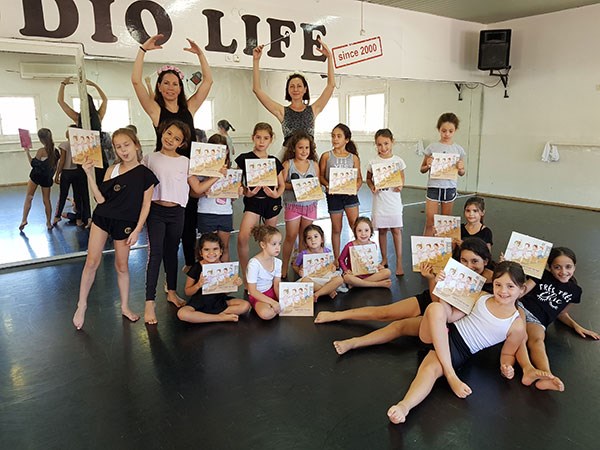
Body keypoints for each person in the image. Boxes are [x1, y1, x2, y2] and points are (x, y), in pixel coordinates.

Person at [387, 261, 529, 424]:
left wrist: (507, 367)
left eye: (510, 286)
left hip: (459, 350)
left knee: (429, 370)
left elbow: (508, 353)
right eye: (498, 285)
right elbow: (450, 317)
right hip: (441, 332)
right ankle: (451, 375)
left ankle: (403, 406)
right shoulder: (481, 296)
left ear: (522, 289)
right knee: (435, 308)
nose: (503, 291)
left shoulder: (516, 325)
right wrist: (442, 289)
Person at [315, 238, 494, 355]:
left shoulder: (494, 283)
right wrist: (431, 278)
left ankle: (354, 343)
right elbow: (434, 300)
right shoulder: (455, 270)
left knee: (398, 326)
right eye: (464, 260)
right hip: (434, 299)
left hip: (446, 316)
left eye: (475, 261)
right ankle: (337, 315)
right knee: (384, 312)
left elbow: (441, 310)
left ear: (485, 261)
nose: (468, 266)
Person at [132, 33, 214, 272]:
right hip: (166, 172)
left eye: (175, 83)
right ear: (159, 86)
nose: (170, 87)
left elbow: (208, 82)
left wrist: (200, 55)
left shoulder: (189, 108)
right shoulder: (156, 111)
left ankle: (189, 264)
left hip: (187, 170)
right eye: (166, 83)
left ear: (180, 88)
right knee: (167, 226)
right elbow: (136, 82)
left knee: (189, 220)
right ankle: (167, 270)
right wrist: (142, 50)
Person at [72, 128, 158, 330]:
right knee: (91, 261)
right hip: (103, 217)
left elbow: (146, 205)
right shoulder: (112, 169)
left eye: (126, 145)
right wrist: (89, 174)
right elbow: (100, 199)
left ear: (136, 145)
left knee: (122, 266)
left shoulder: (146, 175)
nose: (123, 150)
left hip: (126, 223)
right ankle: (81, 304)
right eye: (118, 147)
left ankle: (125, 307)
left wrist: (137, 229)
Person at [142, 120, 206, 325]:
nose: (171, 139)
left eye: (177, 138)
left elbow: (197, 189)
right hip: (155, 212)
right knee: (156, 254)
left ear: (182, 143)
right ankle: (149, 303)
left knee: (172, 253)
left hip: (178, 212)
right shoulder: (150, 158)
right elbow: (138, 184)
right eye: (169, 133)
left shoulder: (185, 162)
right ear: (162, 132)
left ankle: (171, 292)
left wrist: (217, 176)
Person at [510, 247, 599, 391]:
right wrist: (509, 270)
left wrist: (576, 326)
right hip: (521, 308)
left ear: (574, 267)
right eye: (557, 267)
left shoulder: (575, 291)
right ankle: (528, 369)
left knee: (538, 341)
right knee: (522, 335)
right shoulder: (542, 275)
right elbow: (520, 293)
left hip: (538, 320)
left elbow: (561, 313)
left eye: (568, 267)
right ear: (550, 267)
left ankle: (547, 376)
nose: (563, 272)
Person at [252, 36, 334, 149]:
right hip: (288, 155)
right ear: (288, 90)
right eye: (292, 86)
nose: (295, 89)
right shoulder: (282, 111)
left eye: (299, 86)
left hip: (308, 156)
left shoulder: (313, 110)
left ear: (305, 89)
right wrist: (256, 60)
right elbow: (257, 90)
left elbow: (331, 86)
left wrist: (329, 57)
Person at [234, 123, 285, 284]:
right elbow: (237, 182)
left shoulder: (274, 161)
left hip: (271, 202)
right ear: (253, 138)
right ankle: (247, 276)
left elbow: (282, 185)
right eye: (258, 137)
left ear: (271, 139)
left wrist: (275, 194)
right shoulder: (244, 158)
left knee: (270, 241)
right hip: (253, 202)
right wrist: (246, 191)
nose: (261, 141)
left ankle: (268, 274)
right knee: (242, 238)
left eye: (265, 138)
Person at [178, 233, 251, 324]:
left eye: (215, 249)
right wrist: (198, 285)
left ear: (221, 251)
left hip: (219, 300)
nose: (211, 253)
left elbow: (225, 292)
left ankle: (205, 317)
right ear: (201, 252)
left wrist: (234, 284)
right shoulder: (196, 267)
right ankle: (220, 317)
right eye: (206, 250)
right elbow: (187, 292)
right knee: (182, 313)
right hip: (200, 301)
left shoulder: (225, 268)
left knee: (245, 305)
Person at [319, 124, 363, 262]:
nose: (335, 139)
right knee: (336, 228)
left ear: (347, 139)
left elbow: (359, 178)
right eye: (333, 136)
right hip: (334, 197)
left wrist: (355, 187)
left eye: (339, 136)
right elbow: (320, 176)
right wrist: (328, 185)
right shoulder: (326, 156)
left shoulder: (353, 158)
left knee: (355, 226)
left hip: (350, 196)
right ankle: (337, 259)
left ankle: (358, 258)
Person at [366, 128, 406, 276]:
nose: (383, 148)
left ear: (392, 142)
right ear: (376, 145)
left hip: (393, 201)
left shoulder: (398, 161)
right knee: (382, 231)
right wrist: (372, 187)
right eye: (379, 144)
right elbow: (368, 178)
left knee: (396, 231)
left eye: (386, 143)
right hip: (380, 201)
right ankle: (384, 259)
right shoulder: (373, 162)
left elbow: (402, 177)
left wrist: (401, 185)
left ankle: (399, 262)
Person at [281, 131, 321, 279]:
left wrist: (312, 189)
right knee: (291, 236)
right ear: (294, 148)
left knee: (305, 238)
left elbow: (316, 184)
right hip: (293, 205)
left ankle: (301, 265)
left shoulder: (314, 165)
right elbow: (281, 185)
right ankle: (284, 266)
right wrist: (297, 186)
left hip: (310, 206)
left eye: (307, 148)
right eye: (300, 147)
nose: (304, 151)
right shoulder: (288, 164)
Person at [195, 134, 240, 262]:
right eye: (215, 149)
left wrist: (236, 193)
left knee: (223, 248)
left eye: (222, 150)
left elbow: (232, 198)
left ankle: (225, 275)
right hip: (206, 212)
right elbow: (194, 193)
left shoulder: (230, 172)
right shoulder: (202, 170)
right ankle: (205, 274)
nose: (219, 153)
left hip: (225, 213)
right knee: (207, 249)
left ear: (227, 151)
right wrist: (204, 192)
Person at [420, 113, 465, 236]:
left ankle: (443, 247)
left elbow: (462, 172)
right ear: (439, 129)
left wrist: (461, 168)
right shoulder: (432, 148)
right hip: (434, 187)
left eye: (450, 131)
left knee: (445, 222)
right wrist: (428, 165)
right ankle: (426, 246)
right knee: (430, 221)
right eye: (444, 131)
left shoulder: (458, 150)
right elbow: (422, 169)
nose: (447, 134)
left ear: (455, 130)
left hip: (449, 188)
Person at [57, 77, 109, 182]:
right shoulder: (97, 116)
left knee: (88, 182)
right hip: (95, 153)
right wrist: (95, 85)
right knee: (98, 182)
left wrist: (63, 84)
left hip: (85, 154)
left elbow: (60, 101)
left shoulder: (79, 118)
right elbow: (105, 99)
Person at [19, 128, 60, 231]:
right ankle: (48, 223)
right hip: (46, 179)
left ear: (41, 139)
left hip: (36, 177)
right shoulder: (56, 152)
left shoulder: (41, 151)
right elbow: (55, 167)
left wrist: (27, 152)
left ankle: (24, 220)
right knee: (47, 200)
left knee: (29, 197)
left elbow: (33, 164)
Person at [292, 224, 344, 300]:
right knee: (304, 281)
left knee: (340, 279)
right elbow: (295, 265)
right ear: (305, 242)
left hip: (326, 277)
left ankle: (318, 293)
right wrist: (299, 271)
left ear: (322, 239)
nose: (313, 240)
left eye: (316, 236)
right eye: (309, 238)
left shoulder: (327, 251)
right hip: (312, 279)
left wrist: (333, 267)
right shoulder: (303, 254)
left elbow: (332, 264)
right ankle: (328, 291)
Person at [338, 217, 391, 289]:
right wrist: (346, 270)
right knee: (347, 277)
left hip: (369, 274)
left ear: (371, 231)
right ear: (355, 232)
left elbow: (372, 261)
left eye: (366, 230)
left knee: (387, 272)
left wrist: (378, 266)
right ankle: (377, 284)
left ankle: (357, 284)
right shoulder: (350, 245)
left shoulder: (373, 245)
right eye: (359, 231)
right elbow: (341, 259)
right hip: (354, 275)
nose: (363, 234)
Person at [53, 125, 89, 227]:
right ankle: (79, 219)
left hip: (67, 172)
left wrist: (57, 174)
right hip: (78, 172)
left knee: (63, 195)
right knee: (78, 195)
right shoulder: (80, 145)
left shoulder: (64, 145)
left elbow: (62, 161)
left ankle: (57, 216)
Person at [246, 225, 283, 320]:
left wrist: (282, 301)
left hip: (272, 291)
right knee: (266, 314)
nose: (278, 247)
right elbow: (253, 291)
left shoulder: (278, 262)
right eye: (274, 244)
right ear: (263, 245)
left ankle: (275, 307)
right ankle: (271, 306)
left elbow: (277, 285)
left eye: (279, 244)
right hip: (258, 296)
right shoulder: (254, 264)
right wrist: (273, 302)